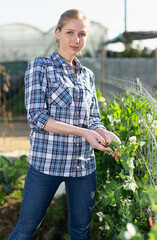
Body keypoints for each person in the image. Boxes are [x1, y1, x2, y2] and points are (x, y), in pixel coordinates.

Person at [8, 9, 121, 240]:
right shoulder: (40, 67)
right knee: (26, 230)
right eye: (70, 32)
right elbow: (38, 118)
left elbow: (93, 118)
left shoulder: (87, 75)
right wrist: (84, 133)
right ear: (58, 33)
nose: (76, 40)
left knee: (80, 232)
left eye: (82, 34)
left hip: (83, 167)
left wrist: (101, 131)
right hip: (47, 165)